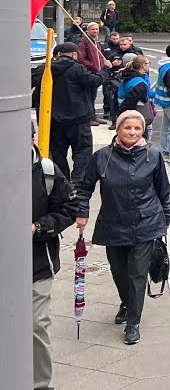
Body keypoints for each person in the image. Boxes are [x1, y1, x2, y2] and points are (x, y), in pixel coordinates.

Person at [75, 111, 170, 345]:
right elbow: (85, 186)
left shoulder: (153, 156)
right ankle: (126, 302)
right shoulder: (102, 157)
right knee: (118, 271)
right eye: (128, 128)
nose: (132, 132)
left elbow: (163, 191)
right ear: (118, 129)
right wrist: (82, 212)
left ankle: (133, 322)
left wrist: (164, 220)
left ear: (143, 131)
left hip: (145, 223)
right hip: (113, 224)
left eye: (137, 129)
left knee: (137, 273)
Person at [32, 130, 75, 390]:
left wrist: (39, 227)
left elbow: (69, 208)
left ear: (32, 139)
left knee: (36, 325)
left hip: (37, 264)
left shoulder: (47, 171)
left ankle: (40, 384)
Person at [46, 42, 107, 184]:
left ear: (57, 55)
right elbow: (94, 81)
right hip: (79, 119)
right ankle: (78, 182)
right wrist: (105, 70)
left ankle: (63, 182)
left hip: (55, 120)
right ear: (74, 54)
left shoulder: (47, 69)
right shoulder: (77, 69)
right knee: (82, 152)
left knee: (58, 153)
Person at [115, 55, 153, 133]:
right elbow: (130, 101)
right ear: (143, 66)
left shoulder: (129, 77)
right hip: (137, 116)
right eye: (148, 63)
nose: (149, 65)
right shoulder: (139, 83)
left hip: (127, 114)